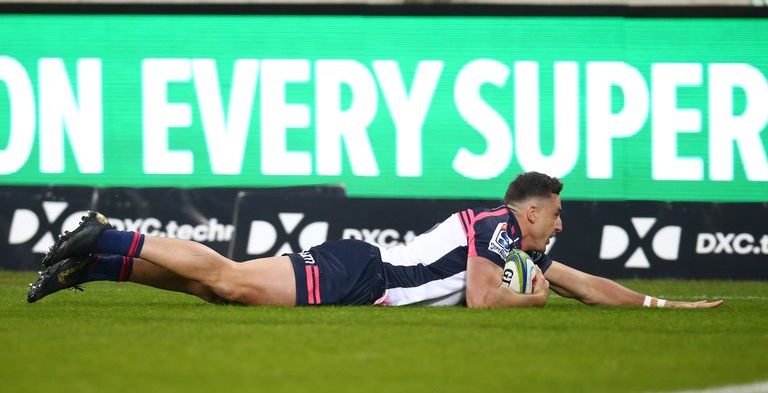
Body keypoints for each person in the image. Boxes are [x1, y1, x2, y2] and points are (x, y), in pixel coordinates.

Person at [27, 172, 723, 309]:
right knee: (229, 278)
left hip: (363, 277)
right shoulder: (499, 228)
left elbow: (584, 283)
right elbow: (485, 299)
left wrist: (661, 306)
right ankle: (107, 233)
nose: (561, 226)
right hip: (365, 273)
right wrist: (532, 301)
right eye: (558, 216)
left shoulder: (521, 245)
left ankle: (95, 265)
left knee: (220, 292)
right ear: (533, 211)